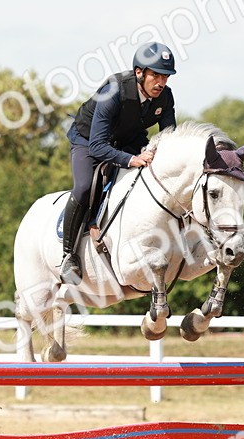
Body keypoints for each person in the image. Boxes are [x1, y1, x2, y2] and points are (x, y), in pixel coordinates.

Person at [60, 42, 178, 284]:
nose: (161, 83)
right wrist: (133, 159)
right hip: (88, 141)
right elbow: (98, 146)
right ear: (139, 72)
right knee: (83, 187)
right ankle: (68, 255)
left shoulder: (165, 97)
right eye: (155, 75)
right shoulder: (114, 90)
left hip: (127, 139)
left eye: (165, 77)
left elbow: (170, 138)